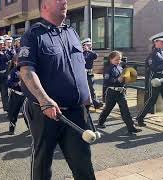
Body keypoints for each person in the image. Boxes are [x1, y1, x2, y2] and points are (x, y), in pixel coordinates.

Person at [18, 0, 96, 179]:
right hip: (46, 112)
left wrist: (87, 94)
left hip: (76, 111)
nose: (64, 1)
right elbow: (26, 70)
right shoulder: (33, 35)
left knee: (83, 162)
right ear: (44, 6)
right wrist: (45, 101)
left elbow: (79, 66)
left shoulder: (72, 32)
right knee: (43, 162)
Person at [97, 51, 142, 134]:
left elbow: (124, 79)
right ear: (111, 59)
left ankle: (131, 128)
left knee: (125, 110)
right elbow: (106, 81)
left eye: (120, 59)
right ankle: (101, 122)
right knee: (108, 108)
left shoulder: (121, 67)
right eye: (116, 59)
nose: (118, 61)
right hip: (112, 92)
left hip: (121, 93)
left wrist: (128, 79)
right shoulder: (108, 68)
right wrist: (117, 80)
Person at [136, 32, 163, 126]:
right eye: (161, 42)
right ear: (155, 42)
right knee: (151, 100)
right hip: (154, 79)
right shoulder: (152, 55)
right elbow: (153, 67)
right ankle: (140, 118)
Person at [7, 55, 28, 135]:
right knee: (13, 113)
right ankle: (12, 127)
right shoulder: (13, 71)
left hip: (26, 96)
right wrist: (16, 84)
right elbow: (8, 83)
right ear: (14, 62)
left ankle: (31, 128)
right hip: (16, 95)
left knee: (27, 113)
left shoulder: (27, 70)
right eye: (17, 61)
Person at [82, 38, 103, 109]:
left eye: (90, 45)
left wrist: (89, 50)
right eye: (88, 45)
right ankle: (88, 103)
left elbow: (96, 56)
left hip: (89, 73)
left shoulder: (90, 53)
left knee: (92, 88)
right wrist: (83, 50)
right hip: (82, 73)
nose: (90, 46)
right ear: (83, 45)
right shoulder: (80, 53)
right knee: (84, 89)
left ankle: (95, 103)